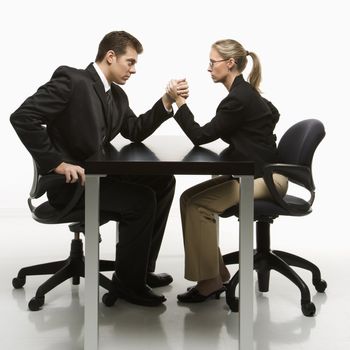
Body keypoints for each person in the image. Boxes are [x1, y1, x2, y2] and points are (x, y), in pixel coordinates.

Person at [10, 30, 188, 307]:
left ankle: (139, 270)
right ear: (110, 56)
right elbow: (23, 117)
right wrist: (55, 163)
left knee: (163, 180)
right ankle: (128, 285)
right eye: (130, 62)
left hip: (95, 177)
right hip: (70, 186)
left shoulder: (117, 97)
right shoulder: (72, 80)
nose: (133, 69)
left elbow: (135, 130)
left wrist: (166, 101)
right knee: (141, 200)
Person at [166, 39, 288, 303]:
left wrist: (179, 103)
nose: (209, 68)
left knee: (199, 204)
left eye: (213, 62)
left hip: (268, 180)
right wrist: (250, 139)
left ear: (230, 63)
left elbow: (199, 136)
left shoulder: (238, 99)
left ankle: (209, 283)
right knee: (189, 198)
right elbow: (273, 114)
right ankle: (217, 275)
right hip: (263, 174)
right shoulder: (245, 93)